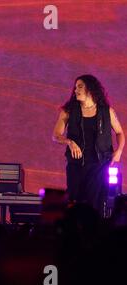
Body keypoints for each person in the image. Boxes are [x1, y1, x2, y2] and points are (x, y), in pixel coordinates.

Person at [53, 74, 125, 215]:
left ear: (90, 88)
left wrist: (119, 151)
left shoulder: (106, 111)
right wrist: (69, 142)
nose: (75, 90)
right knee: (74, 201)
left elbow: (120, 133)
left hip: (100, 164)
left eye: (80, 86)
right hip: (76, 165)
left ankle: (94, 233)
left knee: (95, 203)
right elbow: (55, 135)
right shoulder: (69, 111)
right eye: (75, 87)